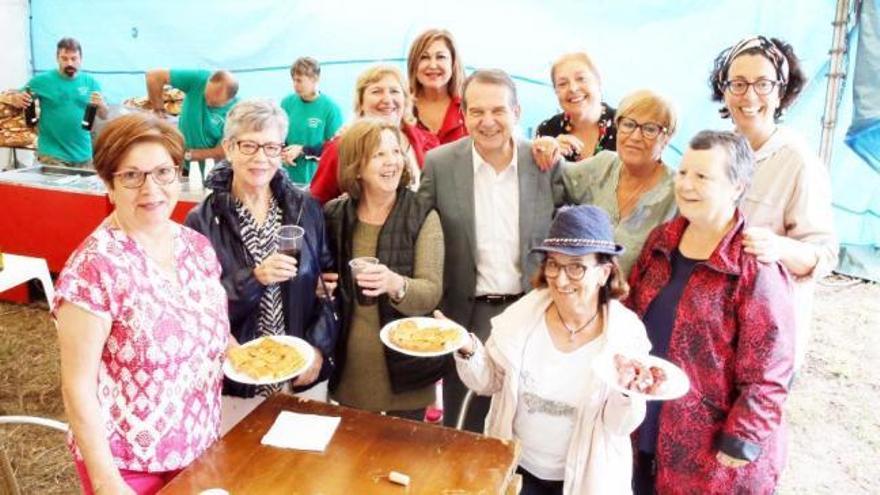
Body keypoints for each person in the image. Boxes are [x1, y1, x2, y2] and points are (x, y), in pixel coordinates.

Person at [54, 113, 230, 495]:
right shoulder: (93, 268)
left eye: (163, 172)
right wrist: (106, 482)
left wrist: (246, 355)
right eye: (132, 176)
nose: (151, 188)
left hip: (200, 446)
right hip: (127, 464)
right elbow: (77, 385)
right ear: (108, 184)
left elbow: (208, 328)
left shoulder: (197, 248)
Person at [627, 130, 795, 494]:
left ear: (737, 186)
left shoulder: (753, 265)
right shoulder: (661, 241)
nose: (686, 184)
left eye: (702, 176)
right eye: (683, 172)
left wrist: (743, 437)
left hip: (711, 449)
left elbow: (771, 369)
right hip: (645, 422)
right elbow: (629, 316)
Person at [453, 204, 649, 495]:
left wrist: (625, 390)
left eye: (576, 267)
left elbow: (619, 426)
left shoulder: (625, 335)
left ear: (604, 272)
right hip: (517, 467)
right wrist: (467, 347)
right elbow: (489, 380)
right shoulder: (524, 315)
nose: (560, 278)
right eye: (554, 264)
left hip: (586, 478)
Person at [418, 68, 563, 431]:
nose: (488, 121)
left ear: (516, 113)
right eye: (477, 111)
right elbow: (414, 225)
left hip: (532, 311)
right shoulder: (440, 163)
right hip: (468, 315)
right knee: (465, 424)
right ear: (463, 114)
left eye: (498, 110)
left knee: (529, 422)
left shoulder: (544, 163)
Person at [185, 99, 338, 432]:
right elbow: (197, 307)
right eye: (249, 145)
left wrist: (318, 348)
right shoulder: (202, 220)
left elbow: (329, 288)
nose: (260, 158)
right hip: (241, 378)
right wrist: (253, 278)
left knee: (303, 472)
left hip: (300, 371)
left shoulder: (304, 207)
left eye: (271, 147)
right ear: (228, 147)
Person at [709, 35, 837, 370]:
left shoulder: (798, 161)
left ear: (782, 91)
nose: (749, 96)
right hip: (715, 326)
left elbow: (823, 255)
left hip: (767, 332)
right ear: (723, 89)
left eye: (763, 83)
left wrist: (777, 247)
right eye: (737, 83)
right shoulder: (719, 151)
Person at [322, 118, 444, 418]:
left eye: (395, 152)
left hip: (408, 375)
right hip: (351, 370)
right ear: (356, 167)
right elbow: (323, 284)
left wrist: (395, 283)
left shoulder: (422, 214)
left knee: (404, 460)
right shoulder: (334, 215)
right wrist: (320, 285)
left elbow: (430, 293)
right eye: (379, 155)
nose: (392, 161)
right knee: (352, 460)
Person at [558, 89, 678, 276]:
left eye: (650, 129)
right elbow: (551, 178)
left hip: (634, 303)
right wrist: (549, 148)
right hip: (580, 291)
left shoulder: (679, 191)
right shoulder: (603, 165)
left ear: (667, 137)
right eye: (628, 124)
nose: (635, 136)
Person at [310, 65, 440, 204]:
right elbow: (315, 205)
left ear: (405, 100)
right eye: (376, 91)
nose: (387, 99)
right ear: (361, 102)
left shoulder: (429, 143)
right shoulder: (340, 148)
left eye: (394, 91)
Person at [2, 37, 107, 166]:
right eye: (64, 58)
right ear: (57, 58)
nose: (70, 63)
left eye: (74, 58)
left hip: (84, 154)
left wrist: (102, 105)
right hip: (53, 155)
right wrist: (16, 98)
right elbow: (18, 96)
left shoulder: (91, 83)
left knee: (84, 186)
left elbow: (104, 115)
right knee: (55, 187)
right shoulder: (42, 81)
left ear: (81, 59)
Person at [532, 52, 616, 168]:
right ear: (555, 91)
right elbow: (537, 181)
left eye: (581, 79)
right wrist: (550, 156)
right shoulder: (547, 131)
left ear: (598, 81)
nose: (573, 88)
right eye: (562, 84)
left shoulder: (624, 126)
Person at [145, 67, 239, 163]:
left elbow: (221, 152)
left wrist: (186, 155)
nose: (206, 103)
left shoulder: (238, 113)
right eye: (206, 96)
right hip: (179, 154)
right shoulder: (199, 78)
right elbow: (153, 76)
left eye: (213, 103)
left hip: (208, 167)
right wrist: (158, 110)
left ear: (230, 99)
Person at [279, 57, 343, 185]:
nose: (295, 85)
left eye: (299, 81)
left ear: (315, 79)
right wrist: (283, 152)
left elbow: (336, 149)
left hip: (316, 181)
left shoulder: (331, 108)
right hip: (287, 179)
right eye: (294, 80)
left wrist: (303, 150)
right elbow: (278, 136)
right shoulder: (286, 103)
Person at [407, 28, 468, 144]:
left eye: (440, 57)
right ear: (413, 64)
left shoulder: (469, 108)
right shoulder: (401, 108)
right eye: (424, 57)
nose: (433, 65)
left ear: (453, 62)